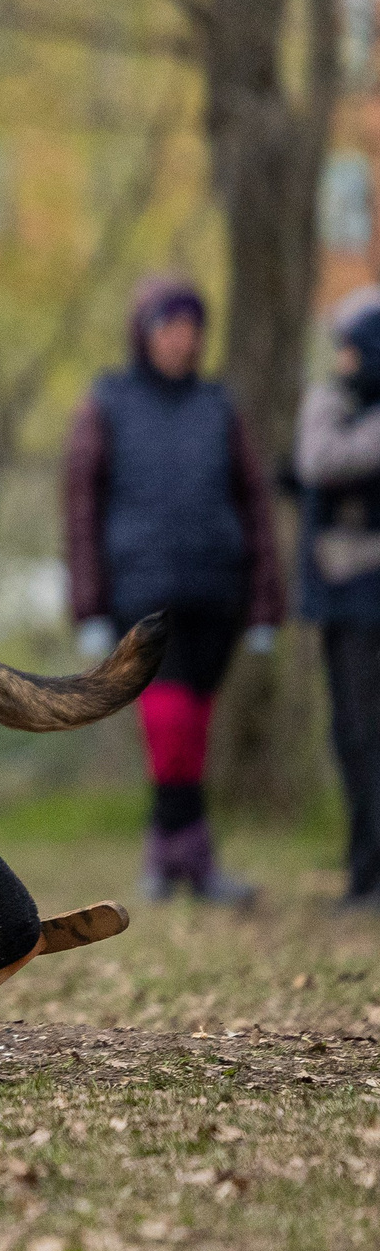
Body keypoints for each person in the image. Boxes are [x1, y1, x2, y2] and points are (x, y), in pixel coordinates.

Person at [65, 277, 281, 906]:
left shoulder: (220, 406)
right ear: (145, 332)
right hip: (142, 592)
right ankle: (191, 852)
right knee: (169, 721)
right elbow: (81, 503)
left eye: (192, 327)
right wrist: (90, 604)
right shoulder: (107, 403)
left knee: (196, 727)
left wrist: (266, 601)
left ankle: (172, 852)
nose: (181, 339)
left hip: (218, 590)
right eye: (169, 325)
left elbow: (255, 502)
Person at [294, 290, 380, 913]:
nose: (342, 360)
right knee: (353, 735)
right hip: (343, 602)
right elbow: (316, 461)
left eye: (352, 348)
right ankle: (364, 869)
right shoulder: (331, 401)